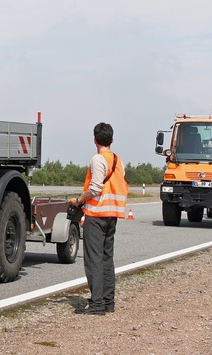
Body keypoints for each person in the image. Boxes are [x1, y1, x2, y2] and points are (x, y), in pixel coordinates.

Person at [70, 122, 129, 315]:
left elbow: (95, 188)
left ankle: (96, 305)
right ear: (111, 140)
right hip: (112, 215)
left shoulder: (98, 160)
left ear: (95, 140)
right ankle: (108, 302)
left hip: (96, 215)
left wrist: (79, 200)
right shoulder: (119, 161)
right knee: (106, 259)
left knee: (93, 260)